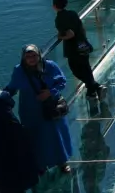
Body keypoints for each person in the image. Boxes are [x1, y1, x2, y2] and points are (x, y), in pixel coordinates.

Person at [5, 45, 73, 174]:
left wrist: (50, 92)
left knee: (56, 136)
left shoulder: (50, 66)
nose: (31, 59)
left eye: (34, 55)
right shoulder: (19, 70)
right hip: (30, 110)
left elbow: (62, 82)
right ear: (23, 58)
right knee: (35, 138)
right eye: (28, 56)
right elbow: (12, 87)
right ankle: (40, 165)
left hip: (50, 107)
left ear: (39, 55)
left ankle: (62, 162)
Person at [0, 71, 41, 193]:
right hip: (14, 142)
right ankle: (20, 189)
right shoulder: (3, 102)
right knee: (17, 164)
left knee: (0, 170)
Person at [52, 0, 103, 98]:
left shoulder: (59, 19)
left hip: (73, 50)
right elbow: (81, 28)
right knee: (86, 68)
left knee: (75, 70)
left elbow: (70, 34)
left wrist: (61, 37)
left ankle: (95, 86)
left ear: (54, 6)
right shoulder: (73, 13)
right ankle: (92, 91)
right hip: (83, 44)